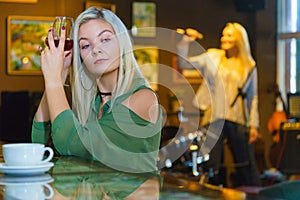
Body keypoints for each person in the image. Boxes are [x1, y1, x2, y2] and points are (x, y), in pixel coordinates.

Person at [32, 7, 162, 173]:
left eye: (105, 39)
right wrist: (60, 74)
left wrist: (53, 82)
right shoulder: (94, 104)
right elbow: (38, 147)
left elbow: (73, 145)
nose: (96, 49)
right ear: (80, 57)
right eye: (85, 45)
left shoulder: (142, 98)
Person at [177, 23, 261, 187]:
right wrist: (184, 44)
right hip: (214, 115)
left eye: (229, 35)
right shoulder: (213, 56)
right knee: (212, 163)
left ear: (239, 39)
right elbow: (185, 65)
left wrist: (254, 125)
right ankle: (213, 192)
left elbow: (253, 97)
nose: (224, 38)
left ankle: (254, 194)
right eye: (223, 35)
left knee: (245, 163)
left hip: (237, 116)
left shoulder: (249, 65)